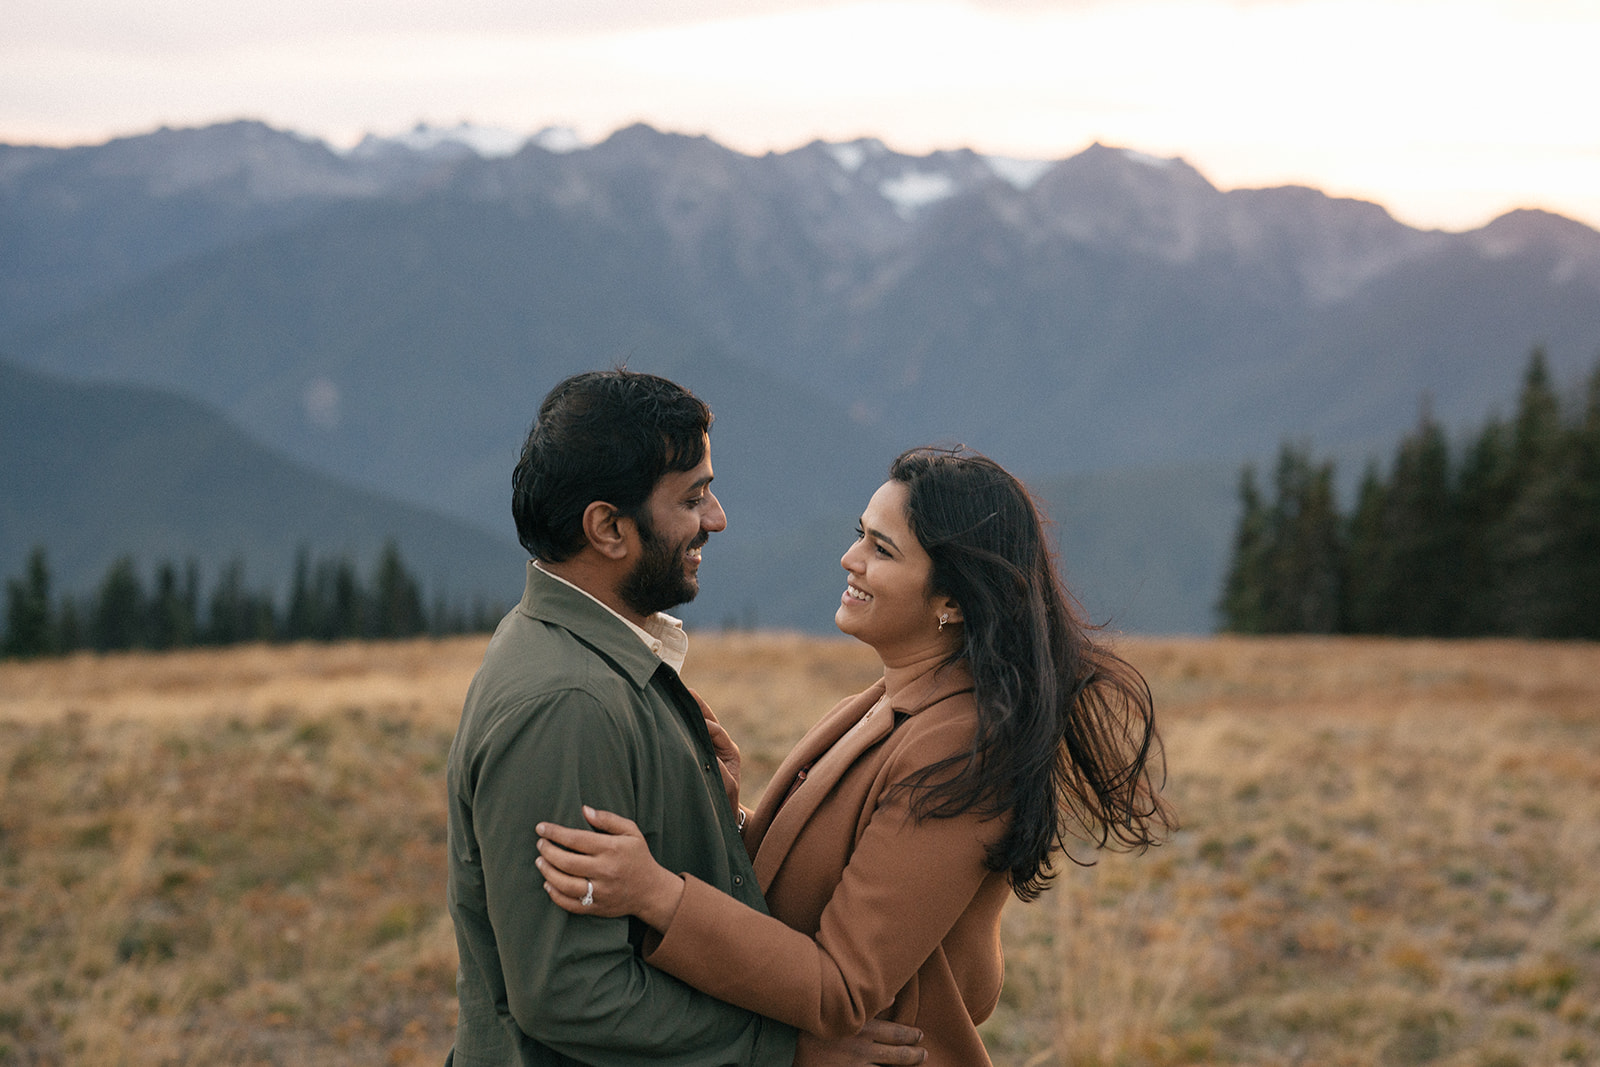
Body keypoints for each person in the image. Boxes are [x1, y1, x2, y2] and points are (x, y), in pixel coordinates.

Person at [534, 445, 1175, 1065]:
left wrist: (656, 895)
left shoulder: (961, 748)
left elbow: (843, 987)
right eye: (860, 534)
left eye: (881, 549)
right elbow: (823, 881)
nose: (849, 558)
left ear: (952, 600)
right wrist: (727, 810)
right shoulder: (889, 701)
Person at [444, 369, 924, 1066]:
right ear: (607, 526)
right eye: (692, 497)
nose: (717, 517)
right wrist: (784, 1049)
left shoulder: (603, 661)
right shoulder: (569, 705)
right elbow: (570, 991)